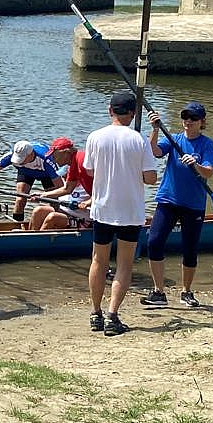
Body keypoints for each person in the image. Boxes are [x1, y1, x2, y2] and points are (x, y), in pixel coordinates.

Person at [82, 92, 158, 337]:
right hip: (129, 211)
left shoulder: (95, 137)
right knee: (124, 263)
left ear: (109, 110)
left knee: (98, 260)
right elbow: (150, 178)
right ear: (133, 114)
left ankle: (96, 313)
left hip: (103, 208)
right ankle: (113, 315)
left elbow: (90, 171)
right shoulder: (139, 140)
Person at [140, 102, 213, 309]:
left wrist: (195, 164)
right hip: (168, 199)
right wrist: (155, 129)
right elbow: (154, 151)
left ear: (202, 122)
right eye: (185, 117)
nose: (188, 121)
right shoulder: (174, 139)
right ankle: (159, 292)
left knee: (190, 249)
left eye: (193, 118)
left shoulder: (207, 145)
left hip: (193, 204)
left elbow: (209, 172)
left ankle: (187, 292)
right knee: (154, 243)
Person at [0, 137, 75, 223]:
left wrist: (45, 195)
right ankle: (17, 226)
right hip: (25, 173)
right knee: (20, 199)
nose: (19, 161)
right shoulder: (12, 154)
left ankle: (56, 221)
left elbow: (60, 186)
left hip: (46, 175)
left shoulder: (46, 159)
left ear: (30, 154)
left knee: (53, 201)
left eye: (22, 159)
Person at [27, 138, 95, 230]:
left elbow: (101, 189)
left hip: (85, 219)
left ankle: (37, 242)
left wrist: (87, 203)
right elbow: (67, 189)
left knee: (53, 217)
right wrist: (42, 195)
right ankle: (31, 238)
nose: (53, 159)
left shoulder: (82, 161)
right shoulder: (72, 165)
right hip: (68, 213)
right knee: (38, 211)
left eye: (54, 156)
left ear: (66, 152)